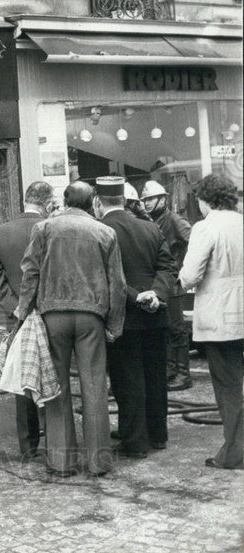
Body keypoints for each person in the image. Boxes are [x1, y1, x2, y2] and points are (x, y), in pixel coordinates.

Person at [17, 181, 126, 477]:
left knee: (56, 389)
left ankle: (62, 462)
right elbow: (117, 284)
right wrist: (114, 324)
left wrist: (22, 313)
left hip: (53, 315)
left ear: (64, 201)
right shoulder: (105, 232)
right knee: (95, 387)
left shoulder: (44, 228)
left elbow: (30, 274)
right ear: (93, 202)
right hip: (91, 317)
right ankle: (99, 462)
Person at [96, 177, 178, 459]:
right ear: (125, 200)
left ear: (98, 201)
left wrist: (136, 297)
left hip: (123, 316)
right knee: (155, 375)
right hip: (156, 314)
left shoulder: (100, 230)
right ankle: (157, 435)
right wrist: (156, 293)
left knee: (127, 379)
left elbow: (105, 277)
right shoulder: (151, 228)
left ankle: (134, 441)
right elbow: (168, 267)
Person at [0, 180, 55, 458]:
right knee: (52, 371)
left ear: (26, 200)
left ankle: (28, 445)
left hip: (16, 315)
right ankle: (55, 441)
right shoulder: (52, 228)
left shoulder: (1, 232)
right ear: (47, 203)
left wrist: (15, 307)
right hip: (49, 312)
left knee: (21, 373)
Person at [179, 174, 243, 471]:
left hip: (222, 317)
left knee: (229, 388)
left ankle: (235, 453)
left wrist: (183, 278)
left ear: (205, 199)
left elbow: (190, 275)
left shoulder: (205, 227)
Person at [141, 179, 193, 391]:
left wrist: (184, 267)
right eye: (145, 200)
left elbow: (193, 240)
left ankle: (182, 374)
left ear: (162, 200)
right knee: (167, 328)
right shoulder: (154, 220)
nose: (146, 203)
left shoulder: (173, 220)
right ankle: (171, 371)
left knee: (176, 329)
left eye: (150, 199)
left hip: (173, 283)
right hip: (163, 283)